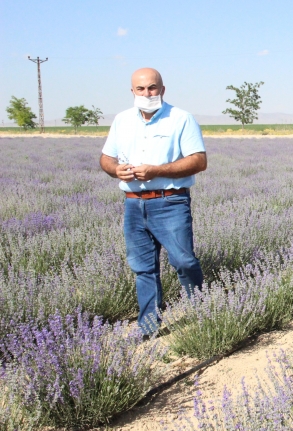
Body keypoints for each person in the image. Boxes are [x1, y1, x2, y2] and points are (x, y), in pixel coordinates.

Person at [100, 68, 207, 336]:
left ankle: (204, 311)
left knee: (184, 261)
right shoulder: (122, 120)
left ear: (162, 89)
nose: (147, 93)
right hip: (134, 204)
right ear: (132, 91)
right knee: (143, 268)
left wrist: (156, 170)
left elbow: (198, 161)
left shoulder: (181, 118)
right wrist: (116, 170)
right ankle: (148, 327)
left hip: (170, 202)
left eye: (152, 88)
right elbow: (106, 158)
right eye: (141, 89)